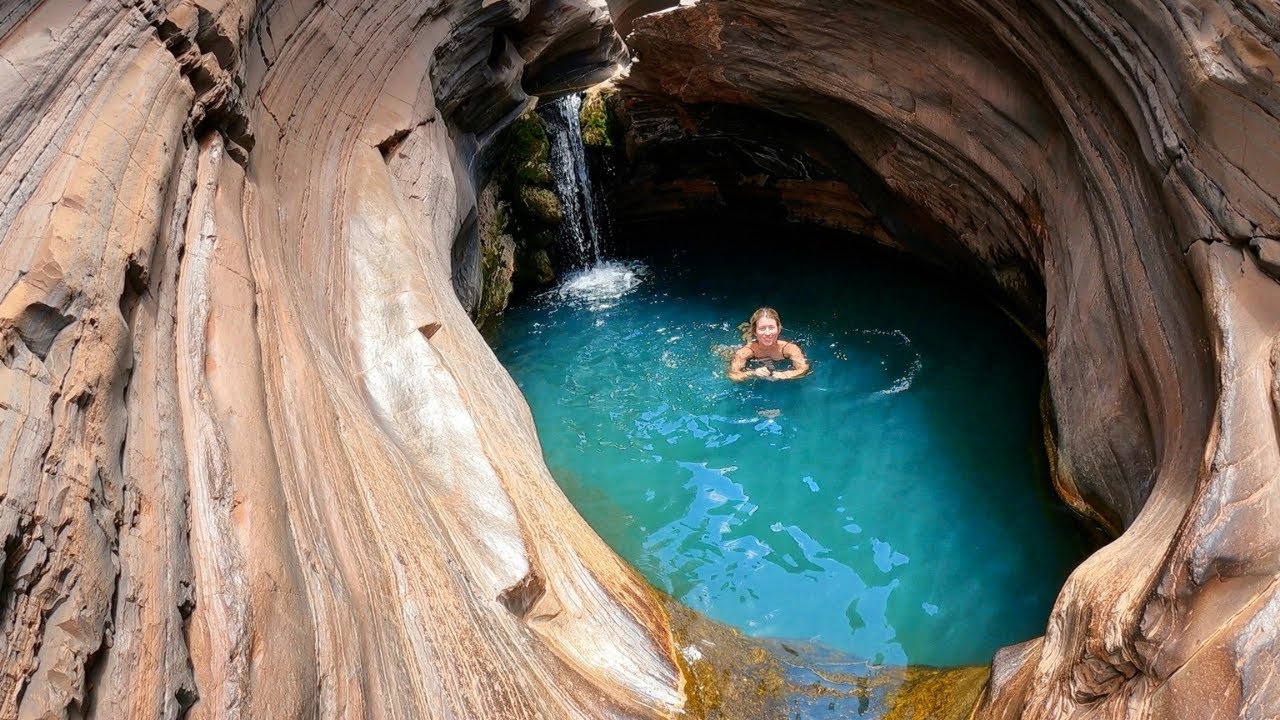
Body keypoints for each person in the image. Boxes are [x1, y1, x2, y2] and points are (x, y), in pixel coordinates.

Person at [727, 307, 809, 382]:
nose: (767, 333)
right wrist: (753, 373)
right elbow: (733, 375)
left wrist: (787, 374)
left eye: (771, 327)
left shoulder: (790, 349)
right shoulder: (744, 352)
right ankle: (744, 329)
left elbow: (804, 368)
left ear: (779, 329)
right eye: (762, 328)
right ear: (755, 332)